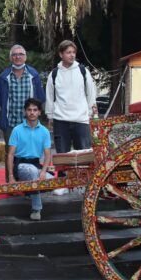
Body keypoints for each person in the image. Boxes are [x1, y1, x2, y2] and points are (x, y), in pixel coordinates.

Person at [45, 40, 97, 195]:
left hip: (81, 118)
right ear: (61, 54)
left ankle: (85, 183)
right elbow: (50, 97)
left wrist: (89, 112)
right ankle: (62, 184)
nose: (71, 55)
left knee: (85, 152)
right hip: (61, 119)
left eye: (73, 52)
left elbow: (91, 93)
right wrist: (50, 117)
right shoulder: (54, 74)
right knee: (62, 153)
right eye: (68, 52)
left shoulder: (83, 71)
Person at [0, 44, 46, 183]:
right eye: (14, 54)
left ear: (25, 57)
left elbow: (40, 98)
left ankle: (28, 182)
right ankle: (10, 181)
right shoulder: (4, 77)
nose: (17, 57)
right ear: (10, 58)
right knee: (10, 153)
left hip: (29, 122)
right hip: (11, 122)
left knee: (30, 152)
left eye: (20, 54)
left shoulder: (33, 75)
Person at [7, 98, 53, 221]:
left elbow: (47, 155)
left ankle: (30, 191)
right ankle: (36, 209)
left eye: (35, 110)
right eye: (29, 110)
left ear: (39, 112)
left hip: (36, 166)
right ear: (25, 112)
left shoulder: (44, 131)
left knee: (53, 180)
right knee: (32, 171)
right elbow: (10, 155)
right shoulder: (17, 130)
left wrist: (43, 171)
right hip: (20, 165)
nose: (32, 112)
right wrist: (11, 177)